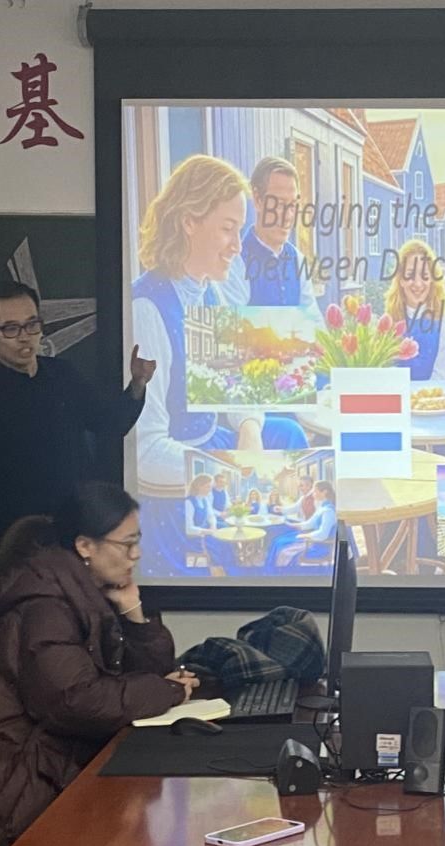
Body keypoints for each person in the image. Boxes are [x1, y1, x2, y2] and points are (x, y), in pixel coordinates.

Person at [0, 483, 199, 846]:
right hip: (8, 787)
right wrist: (168, 691)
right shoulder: (47, 608)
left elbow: (143, 676)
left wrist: (134, 613)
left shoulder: (81, 594)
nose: (136, 555)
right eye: (126, 544)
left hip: (43, 765)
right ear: (85, 545)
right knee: (139, 845)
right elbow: (76, 701)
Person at [130, 155, 308, 575]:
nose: (237, 245)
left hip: (209, 445)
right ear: (189, 222)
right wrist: (235, 468)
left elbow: (238, 393)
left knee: (288, 436)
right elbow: (146, 452)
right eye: (228, 229)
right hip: (172, 481)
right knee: (275, 505)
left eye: (239, 231)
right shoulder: (148, 308)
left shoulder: (209, 294)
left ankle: (287, 557)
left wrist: (248, 430)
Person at [0, 281, 156, 594]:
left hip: (79, 537)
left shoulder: (63, 376)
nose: (25, 337)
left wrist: (137, 385)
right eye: (11, 329)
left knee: (86, 619)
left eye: (32, 325)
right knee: (33, 621)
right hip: (19, 545)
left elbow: (109, 424)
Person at [224, 156, 323, 321]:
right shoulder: (235, 263)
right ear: (258, 200)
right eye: (279, 204)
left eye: (292, 205)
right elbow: (231, 330)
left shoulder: (298, 260)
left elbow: (314, 324)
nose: (288, 216)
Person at [385, 238, 445, 380]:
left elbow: (442, 375)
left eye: (424, 276)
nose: (418, 284)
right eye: (410, 275)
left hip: (435, 393)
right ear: (401, 280)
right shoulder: (388, 323)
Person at [265, 479, 337, 570]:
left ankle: (280, 572)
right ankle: (272, 570)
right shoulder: (322, 507)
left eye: (315, 491)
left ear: (324, 492)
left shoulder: (328, 511)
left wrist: (305, 535)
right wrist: (290, 524)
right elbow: (309, 523)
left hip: (317, 544)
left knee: (283, 548)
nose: (313, 494)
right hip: (312, 538)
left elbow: (323, 534)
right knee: (278, 541)